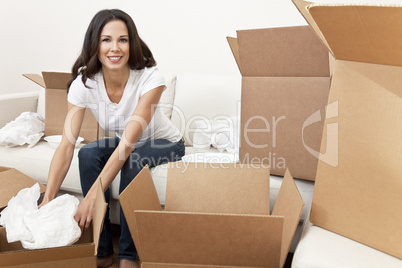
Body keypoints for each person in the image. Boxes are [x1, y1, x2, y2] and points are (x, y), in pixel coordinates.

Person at [39, 9, 184, 268]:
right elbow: (66, 145)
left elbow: (128, 145)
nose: (114, 48)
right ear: (95, 43)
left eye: (123, 40)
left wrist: (94, 193)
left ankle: (128, 255)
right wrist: (48, 197)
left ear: (132, 43)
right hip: (130, 143)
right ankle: (103, 250)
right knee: (88, 153)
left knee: (134, 159)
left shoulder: (150, 78)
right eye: (106, 40)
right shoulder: (85, 83)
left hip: (165, 142)